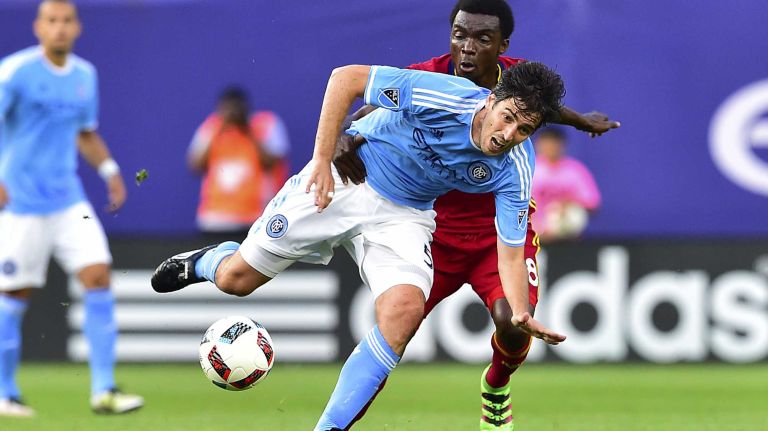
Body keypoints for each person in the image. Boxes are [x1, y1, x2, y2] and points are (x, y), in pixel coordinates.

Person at [152, 60, 567, 430]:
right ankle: (207, 262)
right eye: (507, 116)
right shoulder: (441, 95)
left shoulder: (514, 167)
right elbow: (345, 79)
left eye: (524, 129)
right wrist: (321, 158)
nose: (508, 134)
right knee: (236, 281)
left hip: (405, 215)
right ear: (493, 99)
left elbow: (510, 252)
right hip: (348, 176)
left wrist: (520, 312)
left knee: (404, 314)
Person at [331, 0, 619, 429]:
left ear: (502, 45)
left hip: (498, 232)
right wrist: (343, 137)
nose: (467, 48)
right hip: (432, 229)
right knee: (396, 329)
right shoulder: (427, 76)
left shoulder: (519, 80)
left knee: (513, 324)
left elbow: (546, 110)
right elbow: (369, 105)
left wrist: (581, 121)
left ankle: (496, 386)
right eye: (460, 35)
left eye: (482, 39)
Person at [0, 0, 143, 417]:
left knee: (98, 275)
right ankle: (5, 392)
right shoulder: (15, 73)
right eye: (52, 21)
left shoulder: (84, 76)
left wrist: (111, 170)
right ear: (38, 27)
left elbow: (85, 133)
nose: (59, 28)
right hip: (22, 203)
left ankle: (104, 390)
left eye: (66, 21)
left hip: (68, 199)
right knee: (14, 292)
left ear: (77, 28)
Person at [188, 86, 290, 236]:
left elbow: (271, 163)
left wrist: (248, 130)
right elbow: (195, 166)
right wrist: (219, 128)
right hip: (215, 220)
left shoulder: (266, 124)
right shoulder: (211, 127)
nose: (233, 114)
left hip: (255, 219)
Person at [532, 127, 601, 243]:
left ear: (562, 145)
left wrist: (569, 203)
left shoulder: (575, 170)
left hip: (567, 238)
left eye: (554, 143)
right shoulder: (528, 170)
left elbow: (593, 204)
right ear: (538, 144)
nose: (550, 147)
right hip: (532, 237)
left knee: (573, 212)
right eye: (547, 142)